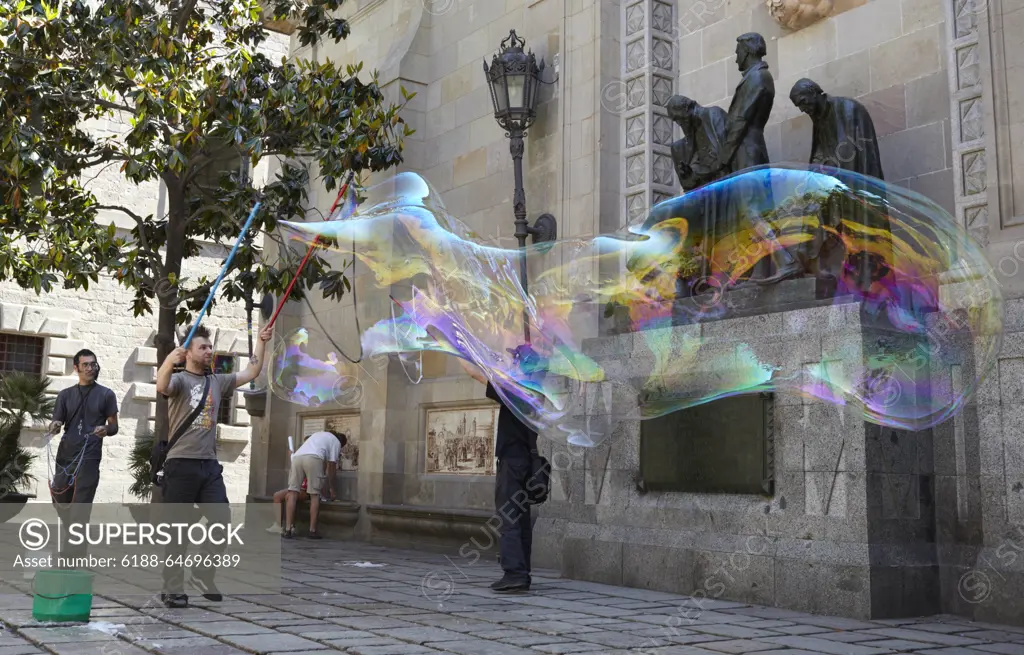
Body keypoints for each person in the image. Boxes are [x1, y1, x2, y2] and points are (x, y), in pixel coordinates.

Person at [155, 323, 272, 608]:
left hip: (209, 466)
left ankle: (202, 572)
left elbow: (252, 371)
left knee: (222, 520)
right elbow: (161, 386)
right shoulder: (180, 380)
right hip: (180, 464)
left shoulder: (217, 381)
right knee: (177, 531)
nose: (209, 351)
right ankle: (173, 588)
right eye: (203, 347)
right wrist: (169, 361)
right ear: (189, 353)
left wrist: (261, 341)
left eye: (210, 347)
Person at [459, 353, 537, 593]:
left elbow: (473, 372)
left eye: (513, 361)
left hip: (512, 461)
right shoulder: (535, 393)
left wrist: (450, 345)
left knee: (509, 516)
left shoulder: (514, 391)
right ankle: (522, 572)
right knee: (521, 517)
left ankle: (514, 573)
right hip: (528, 460)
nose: (508, 365)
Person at [48, 349, 118, 559]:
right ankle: (74, 543)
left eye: (93, 364)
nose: (90, 368)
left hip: (89, 457)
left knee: (80, 508)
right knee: (59, 498)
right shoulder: (65, 395)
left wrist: (105, 429)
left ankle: (72, 557)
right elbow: (57, 422)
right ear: (76, 368)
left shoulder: (106, 394)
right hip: (66, 455)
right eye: (85, 365)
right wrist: (54, 425)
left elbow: (114, 427)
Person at [282, 430, 346, 539]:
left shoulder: (319, 434)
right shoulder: (336, 442)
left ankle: (288, 529)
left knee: (292, 493)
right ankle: (312, 530)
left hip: (297, 457)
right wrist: (331, 487)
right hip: (313, 459)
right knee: (314, 495)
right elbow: (332, 466)